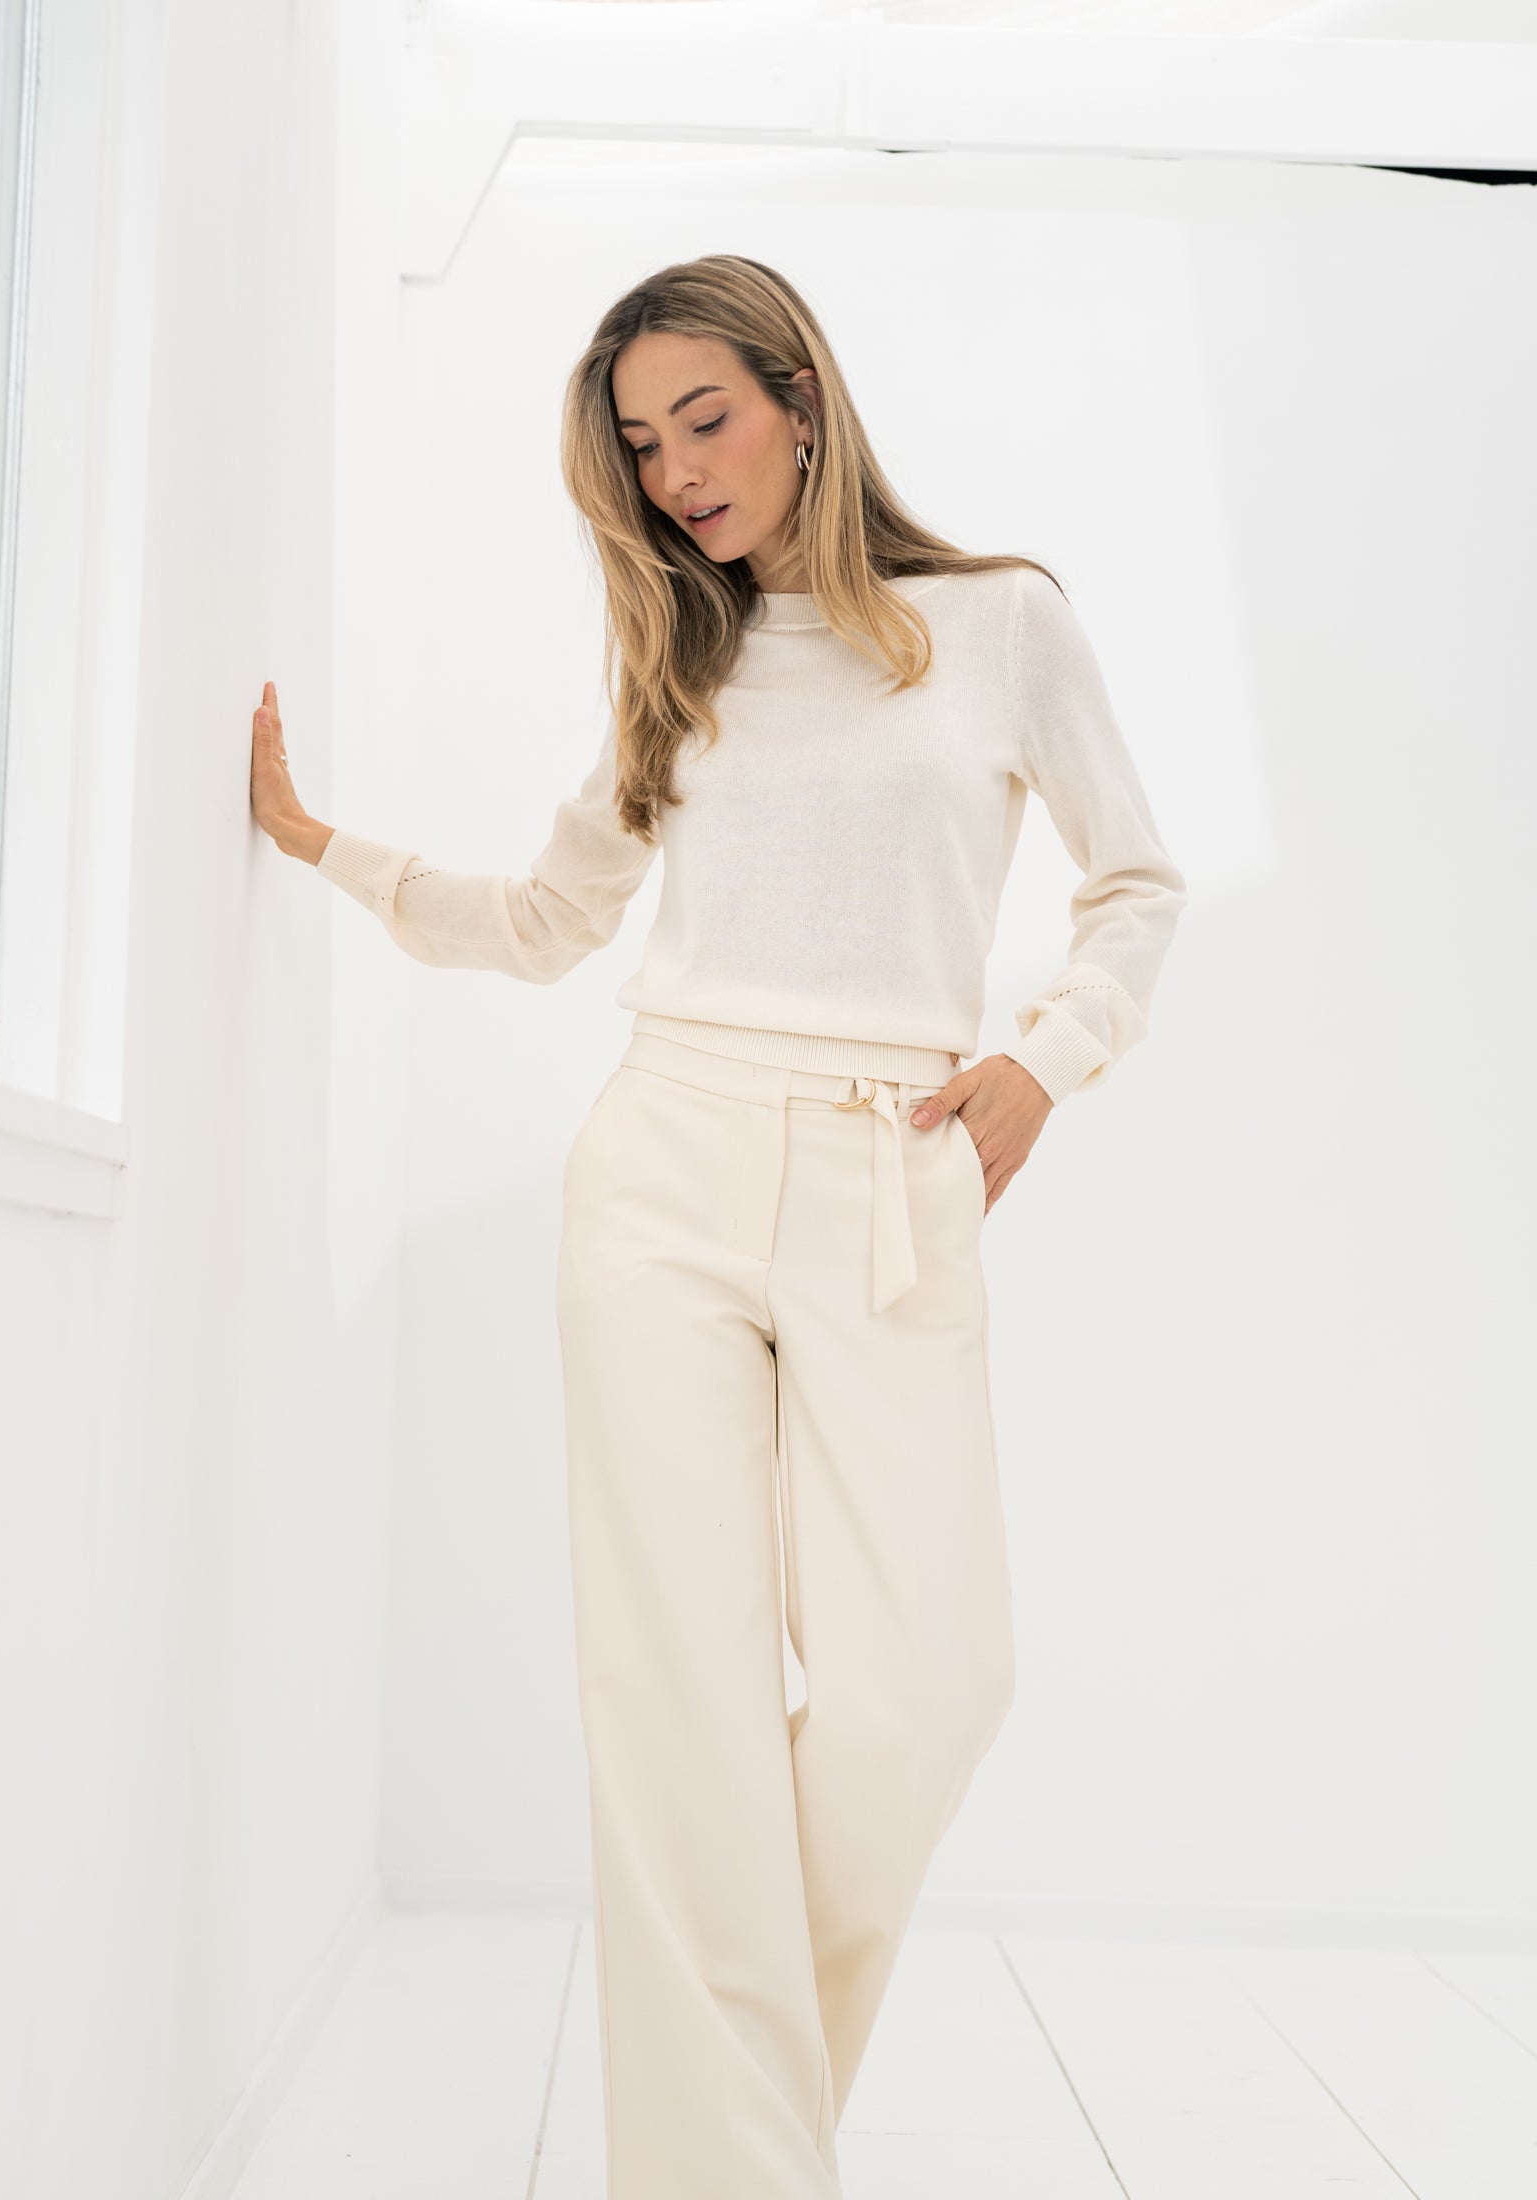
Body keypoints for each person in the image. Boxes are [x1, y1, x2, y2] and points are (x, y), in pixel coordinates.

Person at [249, 253, 1187, 2200]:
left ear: (799, 399)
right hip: (664, 1160)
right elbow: (539, 922)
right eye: (642, 444)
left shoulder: (1000, 623)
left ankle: (717, 2142)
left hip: (901, 1164)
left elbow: (1137, 884)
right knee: (676, 1701)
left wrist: (1048, 1058)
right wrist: (325, 843)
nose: (677, 472)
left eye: (705, 419)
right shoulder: (678, 668)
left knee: (935, 1677)